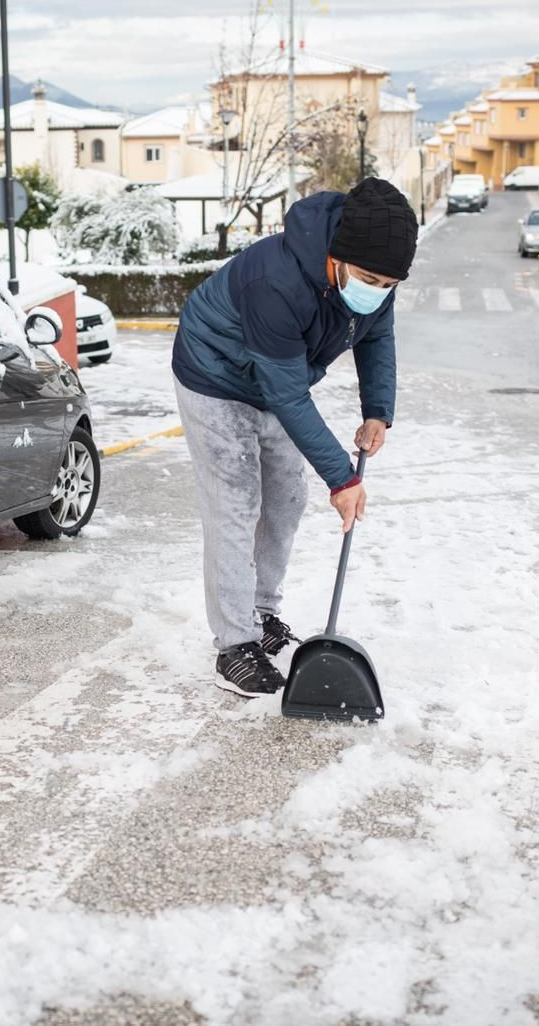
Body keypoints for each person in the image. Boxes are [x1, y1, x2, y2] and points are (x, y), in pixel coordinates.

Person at [172, 178, 418, 697]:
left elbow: (379, 335)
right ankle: (235, 644)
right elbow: (287, 396)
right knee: (236, 505)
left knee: (285, 500)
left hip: (280, 378)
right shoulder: (276, 280)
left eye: (390, 284)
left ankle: (262, 615)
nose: (377, 291)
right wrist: (343, 478)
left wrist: (378, 411)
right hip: (215, 375)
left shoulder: (375, 280)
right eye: (370, 278)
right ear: (338, 258)